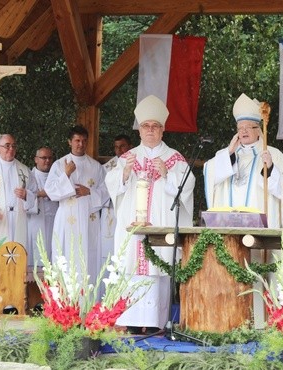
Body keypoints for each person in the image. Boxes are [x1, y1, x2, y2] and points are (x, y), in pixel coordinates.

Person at [106, 95, 195, 333]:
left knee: (158, 274)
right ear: (139, 130)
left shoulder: (174, 158)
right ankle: (133, 325)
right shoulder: (127, 157)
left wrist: (167, 174)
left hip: (159, 229)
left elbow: (187, 187)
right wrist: (124, 173)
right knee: (132, 271)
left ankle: (157, 325)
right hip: (133, 230)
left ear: (163, 130)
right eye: (146, 126)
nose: (150, 130)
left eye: (155, 126)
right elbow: (111, 185)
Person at [203, 93, 283, 228]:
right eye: (240, 128)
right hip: (229, 224)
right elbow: (209, 173)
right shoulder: (228, 153)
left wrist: (270, 167)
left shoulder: (272, 154)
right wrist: (229, 153)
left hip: (260, 226)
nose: (243, 131)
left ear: (258, 130)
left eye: (248, 127)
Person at [45, 125, 109, 282]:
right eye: (77, 140)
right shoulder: (60, 164)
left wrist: (90, 192)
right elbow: (50, 191)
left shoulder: (96, 167)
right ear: (69, 142)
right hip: (67, 218)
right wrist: (66, 174)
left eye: (84, 141)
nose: (81, 144)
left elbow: (107, 191)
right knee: (65, 256)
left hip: (89, 219)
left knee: (88, 258)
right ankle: (64, 304)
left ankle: (88, 302)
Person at [101, 134, 132, 276]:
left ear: (130, 146)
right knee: (109, 250)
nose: (119, 150)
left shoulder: (135, 161)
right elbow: (102, 190)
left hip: (129, 212)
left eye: (123, 146)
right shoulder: (109, 167)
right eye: (116, 147)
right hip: (110, 211)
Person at [27, 147, 58, 266]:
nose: (47, 161)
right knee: (37, 252)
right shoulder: (29, 176)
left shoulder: (57, 176)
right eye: (44, 158)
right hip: (36, 220)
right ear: (36, 159)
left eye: (50, 158)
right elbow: (24, 199)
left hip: (54, 220)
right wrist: (39, 195)